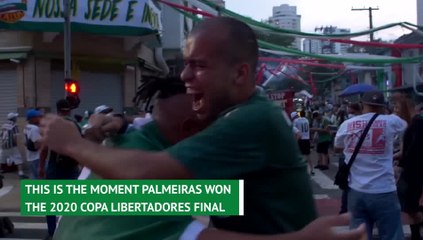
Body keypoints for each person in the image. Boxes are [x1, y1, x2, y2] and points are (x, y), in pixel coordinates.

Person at [41, 17, 365, 240]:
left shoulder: (250, 120)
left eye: (198, 66)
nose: (184, 77)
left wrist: (74, 144)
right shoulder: (231, 117)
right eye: (185, 65)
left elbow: (153, 178)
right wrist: (121, 123)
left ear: (239, 74)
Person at [334, 91, 406, 240]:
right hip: (384, 189)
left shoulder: (347, 124)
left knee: (359, 235)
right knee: (391, 234)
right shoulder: (391, 121)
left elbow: (337, 147)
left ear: (362, 105)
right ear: (383, 106)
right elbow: (407, 123)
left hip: (356, 190)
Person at [40, 99, 81, 240]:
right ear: (69, 109)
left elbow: (45, 149)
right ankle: (70, 231)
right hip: (71, 167)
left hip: (54, 167)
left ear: (57, 109)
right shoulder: (75, 124)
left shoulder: (52, 125)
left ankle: (52, 232)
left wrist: (41, 167)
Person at [394, 94, 423, 240]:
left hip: (415, 172)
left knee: (412, 206)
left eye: (397, 107)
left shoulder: (418, 123)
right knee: (409, 208)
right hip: (411, 171)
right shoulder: (412, 124)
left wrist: (401, 162)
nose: (396, 111)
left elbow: (415, 150)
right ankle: (415, 236)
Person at [0, 112, 27, 178]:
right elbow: (15, 137)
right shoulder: (14, 126)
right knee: (18, 158)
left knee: (2, 159)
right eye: (15, 117)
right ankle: (21, 173)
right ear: (13, 118)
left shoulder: (4, 125)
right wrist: (16, 145)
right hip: (11, 146)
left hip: (3, 145)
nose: (16, 118)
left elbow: (1, 135)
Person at [24, 109, 43, 179]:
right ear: (33, 118)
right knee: (41, 178)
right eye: (38, 116)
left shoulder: (26, 127)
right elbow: (37, 146)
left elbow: (25, 143)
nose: (40, 118)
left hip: (30, 157)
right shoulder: (35, 129)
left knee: (35, 176)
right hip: (37, 157)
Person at [293, 111, 314, 175]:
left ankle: (302, 170)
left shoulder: (296, 121)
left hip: (300, 139)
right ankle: (311, 169)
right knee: (308, 155)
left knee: (300, 155)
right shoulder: (307, 120)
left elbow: (295, 130)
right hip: (307, 139)